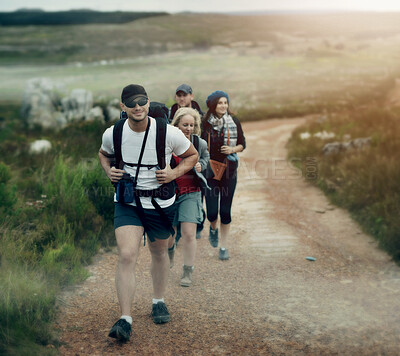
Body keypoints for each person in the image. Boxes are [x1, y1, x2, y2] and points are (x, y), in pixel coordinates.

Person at [98, 84, 198, 342]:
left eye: (141, 100)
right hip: (128, 202)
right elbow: (103, 154)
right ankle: (125, 319)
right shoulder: (114, 133)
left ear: (148, 101)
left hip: (160, 204)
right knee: (127, 254)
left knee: (159, 252)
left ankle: (158, 301)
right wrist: (109, 171)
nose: (137, 106)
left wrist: (173, 174)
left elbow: (192, 155)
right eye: (131, 102)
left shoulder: (168, 132)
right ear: (123, 107)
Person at [201, 90, 246, 261]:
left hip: (229, 171)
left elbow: (243, 144)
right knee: (212, 212)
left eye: (225, 102)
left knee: (225, 212)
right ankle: (213, 229)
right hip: (210, 172)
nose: (224, 106)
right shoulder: (205, 124)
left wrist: (232, 149)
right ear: (213, 105)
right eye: (220, 103)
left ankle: (224, 246)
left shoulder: (233, 121)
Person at [168, 107, 210, 287]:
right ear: (176, 125)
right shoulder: (167, 143)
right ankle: (169, 254)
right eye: (185, 125)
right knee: (169, 235)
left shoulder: (198, 143)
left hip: (191, 192)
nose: (188, 128)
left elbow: (206, 157)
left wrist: (201, 163)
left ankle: (187, 270)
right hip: (169, 193)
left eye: (192, 125)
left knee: (189, 234)